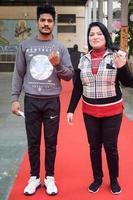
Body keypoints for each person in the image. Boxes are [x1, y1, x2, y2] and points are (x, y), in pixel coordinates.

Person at [11, 4, 73, 196]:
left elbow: (69, 75)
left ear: (53, 24)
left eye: (49, 21)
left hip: (52, 101)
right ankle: (34, 177)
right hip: (31, 100)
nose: (46, 24)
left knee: (51, 142)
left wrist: (58, 65)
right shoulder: (25, 46)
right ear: (37, 22)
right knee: (33, 141)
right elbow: (18, 73)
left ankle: (50, 177)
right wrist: (15, 98)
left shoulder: (60, 48)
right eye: (43, 20)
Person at [67, 22, 133, 195]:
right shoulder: (83, 59)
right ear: (88, 39)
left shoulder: (116, 56)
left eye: (98, 34)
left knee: (110, 147)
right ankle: (97, 178)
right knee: (94, 146)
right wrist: (70, 110)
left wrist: (123, 67)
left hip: (112, 112)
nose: (94, 37)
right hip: (89, 112)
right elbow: (78, 88)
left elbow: (128, 82)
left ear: (105, 36)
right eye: (91, 34)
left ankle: (114, 179)